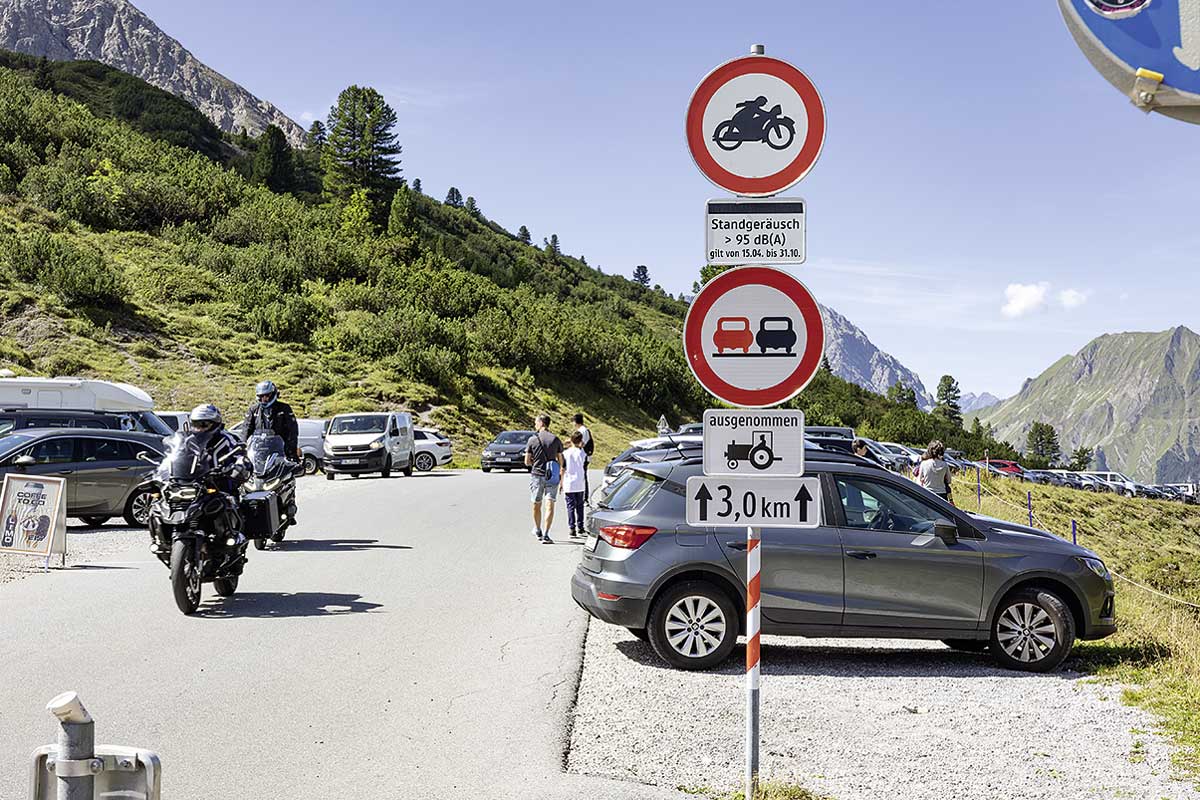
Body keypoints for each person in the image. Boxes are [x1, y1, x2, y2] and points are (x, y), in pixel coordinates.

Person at [187, 404, 249, 494]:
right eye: (196, 425)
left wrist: (237, 467)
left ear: (215, 424)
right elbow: (175, 456)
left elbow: (241, 456)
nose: (199, 429)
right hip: (193, 488)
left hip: (222, 490)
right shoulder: (189, 441)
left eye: (203, 425)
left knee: (231, 502)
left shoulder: (228, 439)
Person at [525, 414, 564, 544]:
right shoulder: (556, 439)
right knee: (550, 505)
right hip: (552, 476)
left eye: (536, 422)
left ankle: (537, 529)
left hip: (537, 475)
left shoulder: (532, 440)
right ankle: (547, 534)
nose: (535, 425)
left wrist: (535, 463)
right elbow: (561, 461)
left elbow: (527, 461)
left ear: (541, 423)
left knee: (537, 504)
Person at [243, 379, 300, 460]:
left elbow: (292, 431)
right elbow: (246, 429)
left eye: (267, 396)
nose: (264, 399)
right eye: (261, 396)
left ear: (273, 394)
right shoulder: (253, 410)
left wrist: (291, 452)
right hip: (258, 453)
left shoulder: (284, 409)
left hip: (280, 452)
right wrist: (243, 450)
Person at [563, 431, 588, 538]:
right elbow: (584, 461)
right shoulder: (582, 453)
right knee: (580, 506)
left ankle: (572, 528)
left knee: (570, 506)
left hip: (569, 482)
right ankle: (581, 527)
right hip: (579, 482)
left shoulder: (565, 453)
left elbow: (563, 468)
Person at [918, 440, 953, 504]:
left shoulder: (924, 464)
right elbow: (949, 481)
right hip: (942, 494)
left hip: (928, 493)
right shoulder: (944, 465)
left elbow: (920, 479)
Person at [573, 412, 594, 502]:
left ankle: (584, 498)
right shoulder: (582, 430)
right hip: (581, 457)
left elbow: (581, 444)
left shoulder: (583, 431)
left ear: (575, 422)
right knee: (580, 476)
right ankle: (580, 495)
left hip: (583, 457)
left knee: (582, 476)